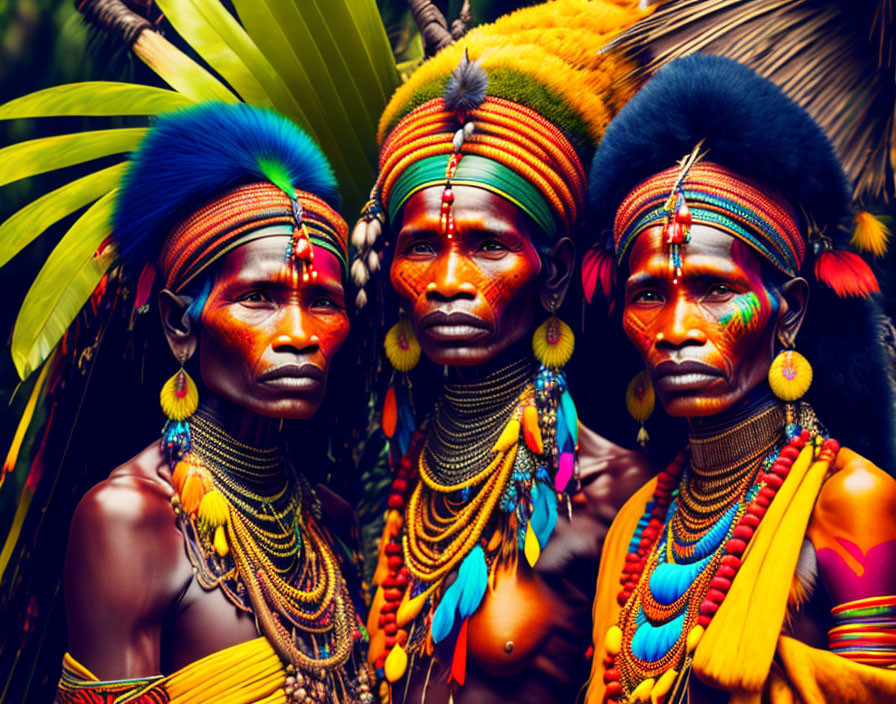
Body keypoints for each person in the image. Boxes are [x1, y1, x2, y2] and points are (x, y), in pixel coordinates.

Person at [352, 2, 653, 702]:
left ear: (553, 272)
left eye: (487, 246)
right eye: (421, 247)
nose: (448, 284)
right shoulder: (394, 477)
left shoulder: (618, 494)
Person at [583, 54, 896, 704]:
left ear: (793, 311)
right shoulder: (636, 523)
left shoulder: (852, 502)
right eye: (647, 295)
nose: (676, 326)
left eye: (714, 289)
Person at [56, 103, 373, 703]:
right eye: (258, 297)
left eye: (325, 303)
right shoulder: (128, 521)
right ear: (181, 323)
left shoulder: (333, 521)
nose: (300, 334)